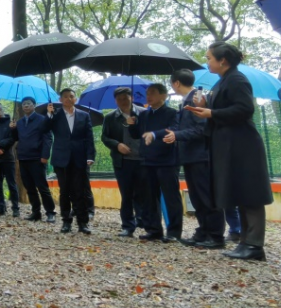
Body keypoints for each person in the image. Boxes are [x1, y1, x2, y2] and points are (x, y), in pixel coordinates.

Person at [186, 41, 273, 262]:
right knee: (240, 193)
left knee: (250, 194)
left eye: (209, 58)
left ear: (222, 60)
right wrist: (207, 105)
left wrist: (211, 113)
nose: (207, 61)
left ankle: (254, 245)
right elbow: (224, 108)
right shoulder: (223, 80)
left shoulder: (237, 79)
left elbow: (245, 108)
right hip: (228, 145)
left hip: (243, 146)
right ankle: (245, 241)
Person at [169, 70, 226, 250]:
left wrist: (176, 135)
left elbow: (201, 129)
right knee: (196, 196)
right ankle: (203, 231)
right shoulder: (187, 99)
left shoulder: (197, 98)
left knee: (206, 195)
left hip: (201, 155)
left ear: (176, 83)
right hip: (190, 156)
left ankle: (215, 235)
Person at [40, 89, 95, 234]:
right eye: (65, 97)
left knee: (80, 191)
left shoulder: (84, 115)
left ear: (75, 99)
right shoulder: (55, 115)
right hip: (61, 158)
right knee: (64, 191)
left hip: (79, 157)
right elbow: (44, 129)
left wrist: (90, 156)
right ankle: (66, 221)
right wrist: (49, 115)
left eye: (71, 96)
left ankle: (83, 223)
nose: (69, 99)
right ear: (60, 99)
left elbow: (89, 137)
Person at [136, 83, 184, 242]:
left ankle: (174, 232)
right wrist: (131, 124)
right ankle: (154, 229)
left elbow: (173, 130)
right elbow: (138, 134)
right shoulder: (144, 115)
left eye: (153, 93)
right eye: (147, 93)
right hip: (147, 161)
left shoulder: (172, 113)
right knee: (149, 197)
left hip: (167, 160)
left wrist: (154, 134)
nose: (148, 96)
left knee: (171, 196)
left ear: (163, 96)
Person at [100, 87, 148, 237]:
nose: (123, 101)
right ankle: (128, 225)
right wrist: (117, 145)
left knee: (143, 193)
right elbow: (105, 137)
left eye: (126, 98)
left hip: (143, 159)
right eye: (119, 99)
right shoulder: (110, 117)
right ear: (116, 101)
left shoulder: (143, 113)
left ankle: (144, 220)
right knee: (126, 194)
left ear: (131, 98)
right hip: (123, 161)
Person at [14, 97, 56, 224]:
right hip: (23, 157)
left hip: (37, 158)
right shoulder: (20, 122)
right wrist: (12, 129)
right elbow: (17, 138)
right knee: (29, 187)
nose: (26, 106)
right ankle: (36, 212)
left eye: (29, 104)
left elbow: (48, 138)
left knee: (42, 187)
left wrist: (45, 156)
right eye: (24, 104)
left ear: (34, 105)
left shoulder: (41, 119)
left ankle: (50, 213)